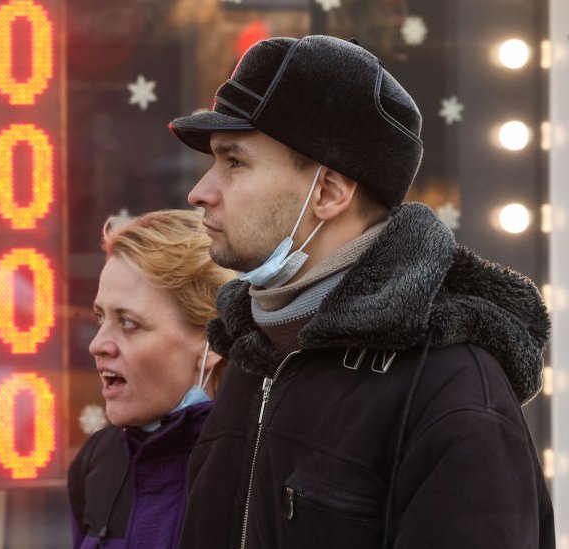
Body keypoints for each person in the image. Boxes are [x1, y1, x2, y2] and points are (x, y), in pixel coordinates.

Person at [167, 35, 554, 548]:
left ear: (327, 192)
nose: (201, 191)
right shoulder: (254, 356)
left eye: (234, 162)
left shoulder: (449, 389)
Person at [68, 209, 235, 548]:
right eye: (101, 317)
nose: (97, 344)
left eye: (128, 322)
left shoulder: (259, 469)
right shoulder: (96, 465)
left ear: (211, 340)